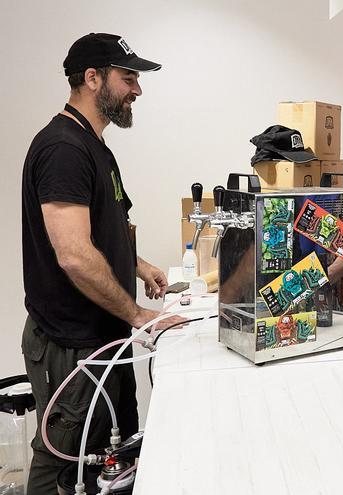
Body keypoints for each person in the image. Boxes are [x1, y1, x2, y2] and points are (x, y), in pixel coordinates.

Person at [20, 33, 184, 494]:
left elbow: (101, 233)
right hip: (70, 343)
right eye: (128, 76)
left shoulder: (94, 147)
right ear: (92, 78)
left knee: (108, 457)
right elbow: (72, 254)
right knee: (62, 462)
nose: (138, 89)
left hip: (101, 338)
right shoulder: (63, 150)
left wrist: (140, 266)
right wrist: (137, 315)